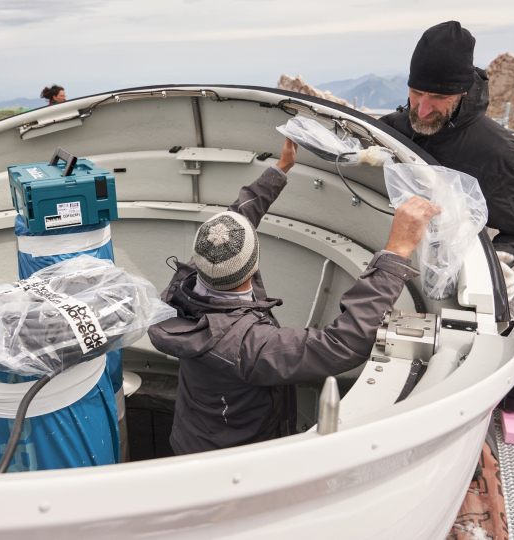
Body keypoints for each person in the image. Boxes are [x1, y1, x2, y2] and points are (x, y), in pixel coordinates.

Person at [148, 138, 440, 455]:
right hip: (235, 460)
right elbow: (343, 344)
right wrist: (396, 253)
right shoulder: (249, 346)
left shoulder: (192, 279)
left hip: (193, 436)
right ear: (254, 263)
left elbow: (235, 220)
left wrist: (280, 169)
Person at [379, 21, 514, 412]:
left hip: (458, 281)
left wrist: (493, 264)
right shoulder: (395, 129)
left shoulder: (501, 156)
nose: (421, 108)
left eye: (437, 97)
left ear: (462, 91)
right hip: (399, 262)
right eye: (415, 92)